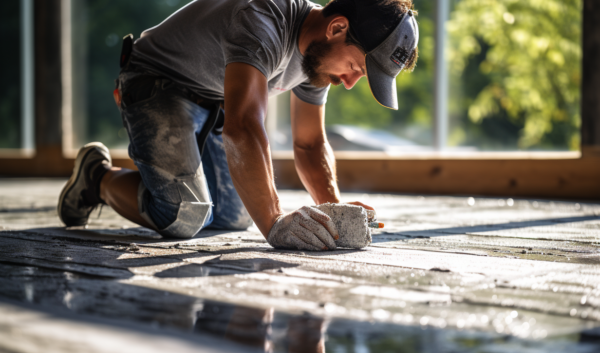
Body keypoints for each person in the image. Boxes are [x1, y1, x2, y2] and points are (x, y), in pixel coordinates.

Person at [57, 0, 419, 251]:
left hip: (213, 100)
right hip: (156, 82)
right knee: (185, 215)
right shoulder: (264, 20)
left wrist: (333, 209)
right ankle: (97, 177)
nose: (352, 82)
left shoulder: (318, 60)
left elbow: (309, 144)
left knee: (234, 216)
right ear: (337, 28)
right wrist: (276, 221)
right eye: (357, 67)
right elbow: (244, 125)